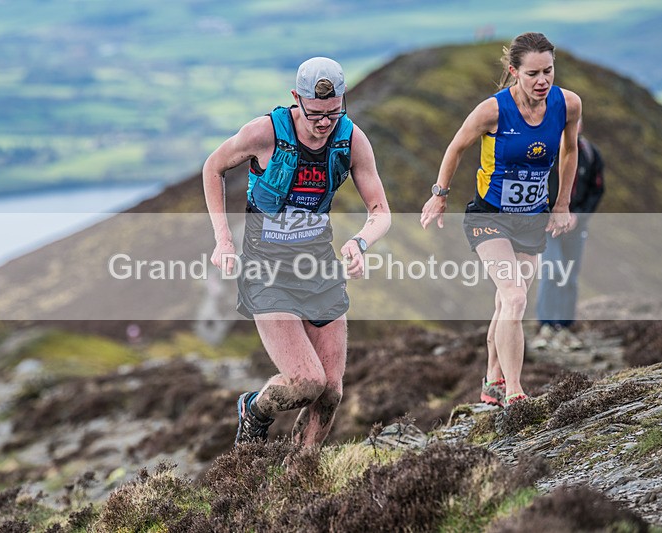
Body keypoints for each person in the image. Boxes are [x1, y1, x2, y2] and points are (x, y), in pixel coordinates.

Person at [203, 57, 391, 447]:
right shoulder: (264, 133)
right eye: (315, 114)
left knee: (331, 391)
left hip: (318, 266)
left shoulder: (351, 139)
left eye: (333, 113)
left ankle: (300, 475)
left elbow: (380, 212)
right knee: (306, 382)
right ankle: (254, 409)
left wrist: (359, 243)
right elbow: (213, 168)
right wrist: (223, 239)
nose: (324, 124)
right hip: (265, 268)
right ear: (296, 99)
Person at [420, 32, 581, 408]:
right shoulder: (492, 110)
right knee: (515, 296)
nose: (542, 81)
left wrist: (562, 204)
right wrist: (439, 195)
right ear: (514, 72)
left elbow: (570, 150)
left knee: (506, 304)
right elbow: (456, 147)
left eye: (548, 71)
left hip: (532, 219)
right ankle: (514, 391)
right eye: (532, 74)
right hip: (489, 218)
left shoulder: (567, 104)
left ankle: (491, 379)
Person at [531, 119, 605, 352]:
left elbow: (597, 190)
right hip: (549, 227)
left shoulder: (591, 155)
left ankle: (563, 327)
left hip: (576, 227)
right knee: (552, 270)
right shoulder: (545, 151)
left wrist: (578, 217)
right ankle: (545, 326)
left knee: (570, 277)